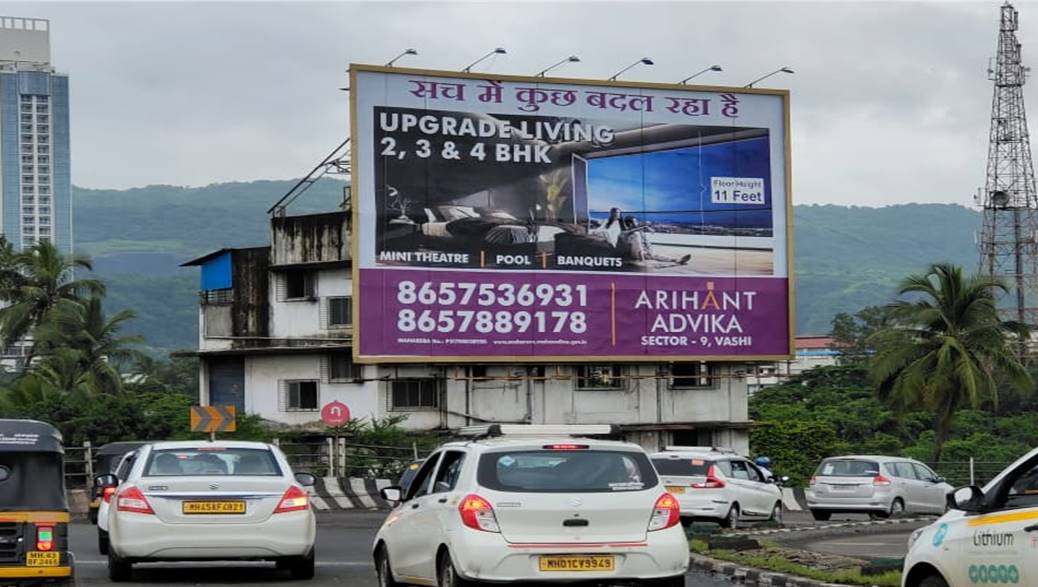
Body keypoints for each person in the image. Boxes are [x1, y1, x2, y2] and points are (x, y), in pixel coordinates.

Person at [621, 216, 691, 265]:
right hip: (636, 254)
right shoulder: (625, 233)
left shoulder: (639, 231)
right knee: (636, 235)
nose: (637, 222)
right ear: (630, 224)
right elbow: (628, 233)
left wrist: (649, 249)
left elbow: (645, 242)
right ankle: (676, 260)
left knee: (656, 255)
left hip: (644, 252)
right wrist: (645, 227)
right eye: (635, 221)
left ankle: (676, 260)